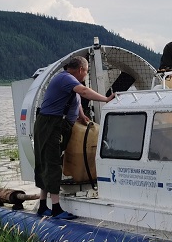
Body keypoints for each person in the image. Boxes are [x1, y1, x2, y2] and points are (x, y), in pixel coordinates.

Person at [34, 56, 114, 219]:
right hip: (50, 125)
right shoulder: (66, 78)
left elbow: (75, 102)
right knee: (52, 163)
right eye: (86, 72)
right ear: (80, 70)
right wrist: (105, 99)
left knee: (50, 161)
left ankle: (43, 205)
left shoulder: (69, 82)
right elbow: (83, 93)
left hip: (59, 125)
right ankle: (55, 208)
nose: (86, 75)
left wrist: (82, 116)